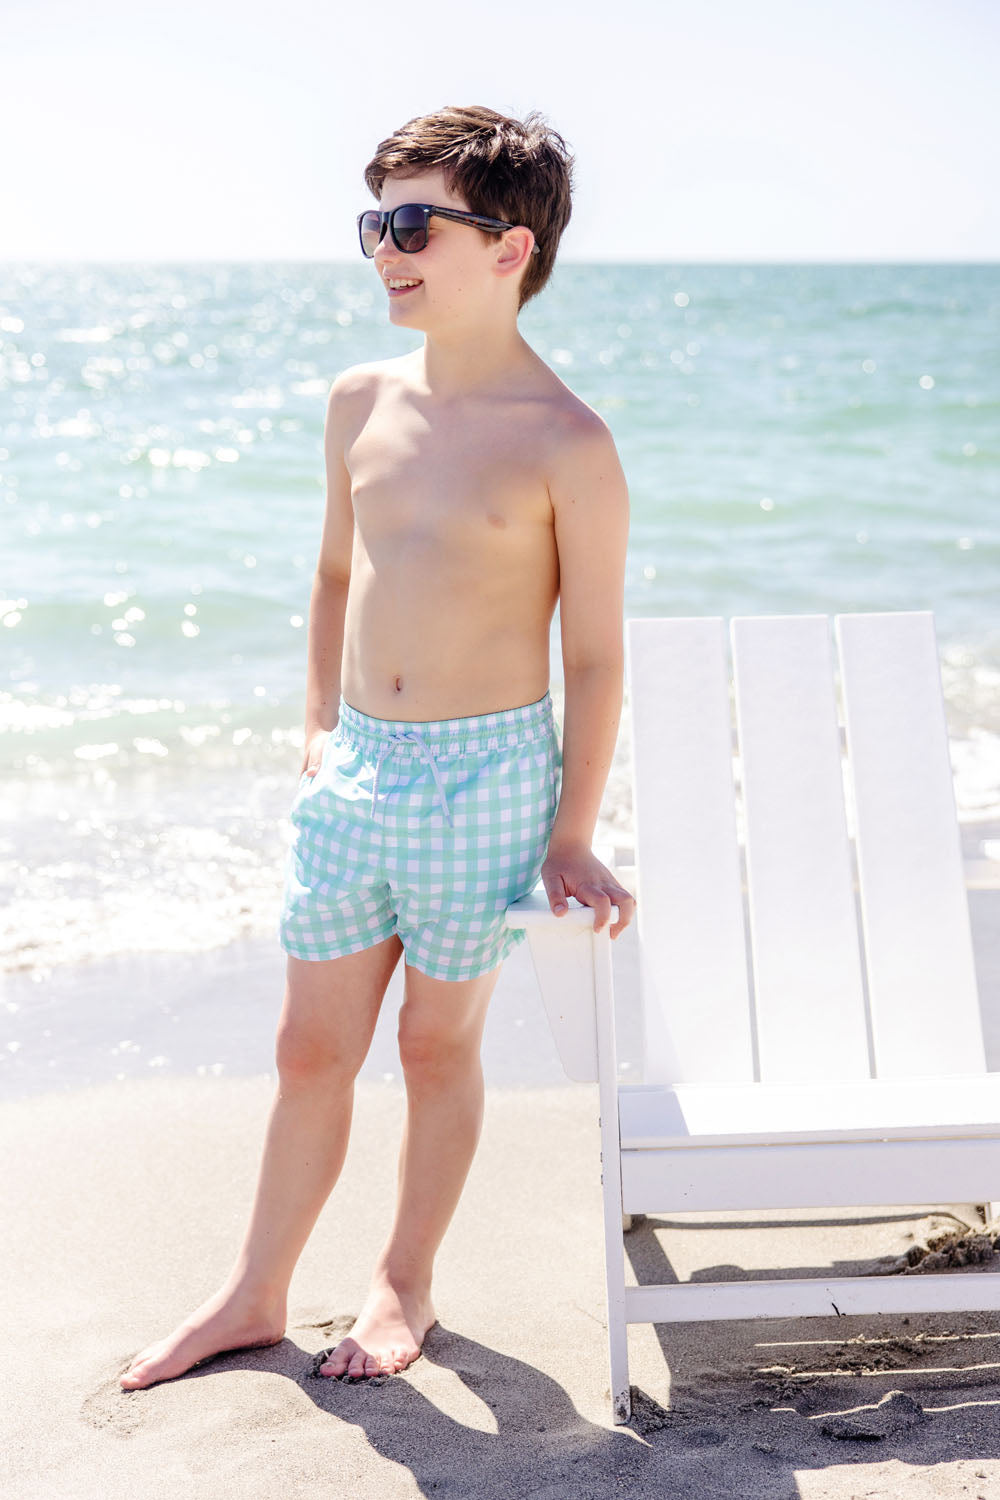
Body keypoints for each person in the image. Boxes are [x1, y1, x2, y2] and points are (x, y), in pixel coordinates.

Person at [120, 103, 635, 1391]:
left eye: (414, 224)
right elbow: (335, 577)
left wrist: (572, 830)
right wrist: (316, 725)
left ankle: (404, 1283)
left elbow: (592, 655)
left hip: (489, 778)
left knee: (435, 1046)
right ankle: (254, 1292)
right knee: (310, 1048)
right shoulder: (359, 401)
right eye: (375, 224)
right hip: (357, 772)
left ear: (509, 248)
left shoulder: (569, 441)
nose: (385, 250)